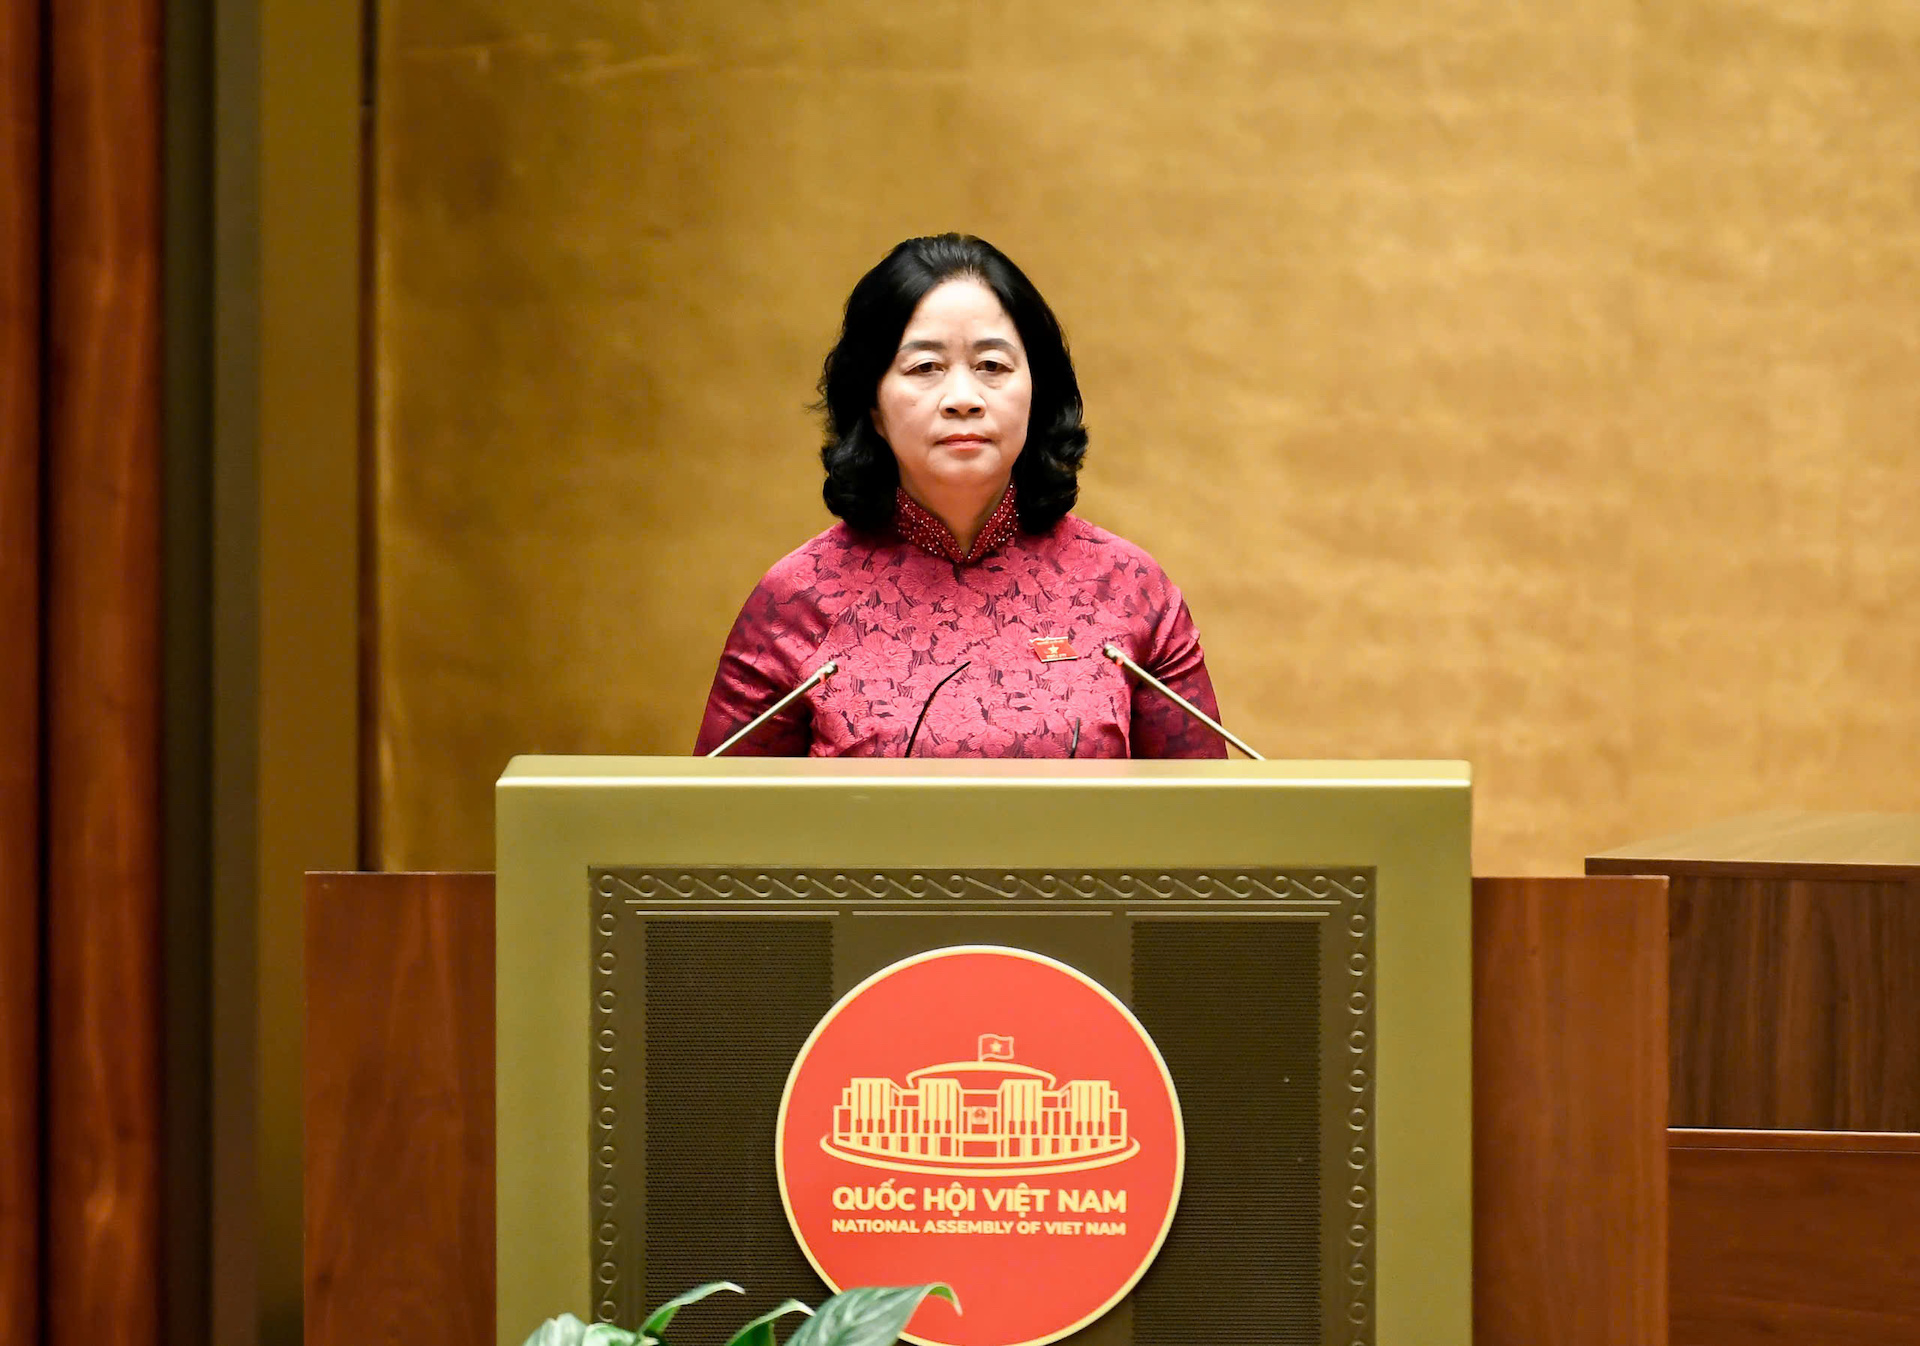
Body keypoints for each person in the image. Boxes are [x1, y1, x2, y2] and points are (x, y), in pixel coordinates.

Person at [694, 234, 1228, 759]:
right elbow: (716, 813)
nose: (963, 399)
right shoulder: (797, 600)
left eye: (992, 366)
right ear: (872, 405)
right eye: (925, 368)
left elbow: (1207, 812)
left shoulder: (1128, 588)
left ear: (1037, 391)